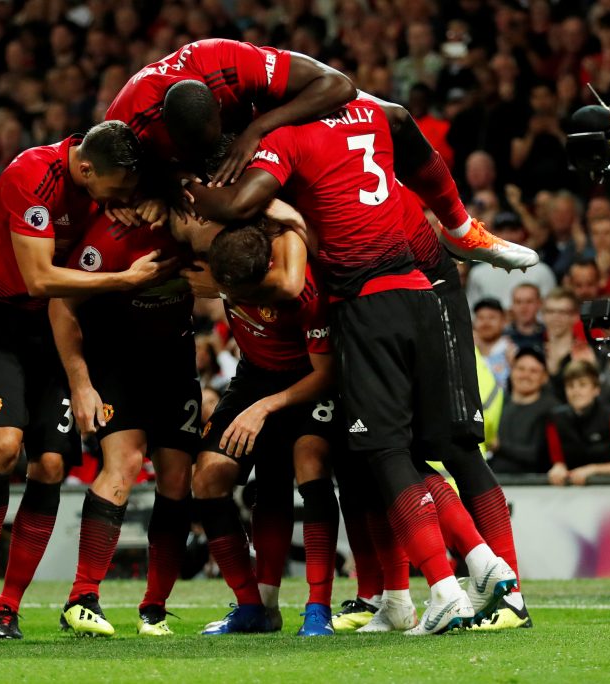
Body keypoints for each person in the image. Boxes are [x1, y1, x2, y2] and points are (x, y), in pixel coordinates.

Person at [186, 95, 518, 635]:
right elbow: (404, 130)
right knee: (376, 463)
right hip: (413, 290)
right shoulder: (362, 127)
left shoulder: (290, 185)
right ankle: (407, 595)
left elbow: (287, 274)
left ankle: (465, 583)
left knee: (388, 454)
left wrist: (191, 188)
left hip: (367, 310)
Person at [0, 120, 173, 640]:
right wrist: (123, 279)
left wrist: (152, 204)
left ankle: (9, 605)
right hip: (4, 322)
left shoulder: (104, 181)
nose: (120, 200)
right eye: (114, 190)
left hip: (60, 330)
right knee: (4, 448)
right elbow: (40, 279)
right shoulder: (31, 175)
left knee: (50, 464)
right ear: (87, 169)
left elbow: (144, 195)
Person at [48, 211, 198, 638]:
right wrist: (81, 383)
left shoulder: (199, 228)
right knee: (125, 464)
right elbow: (61, 302)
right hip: (117, 360)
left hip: (175, 359)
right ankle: (81, 598)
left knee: (176, 477)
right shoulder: (108, 237)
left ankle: (154, 609)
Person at [193, 222, 340, 637]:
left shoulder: (302, 291)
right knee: (208, 477)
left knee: (309, 462)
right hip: (255, 376)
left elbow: (327, 373)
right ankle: (254, 606)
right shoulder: (221, 266)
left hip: (308, 379)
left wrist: (266, 407)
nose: (237, 302)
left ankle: (318, 608)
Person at [106, 38, 356, 184]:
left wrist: (257, 130)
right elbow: (102, 176)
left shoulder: (225, 60)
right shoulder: (127, 119)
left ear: (219, 104)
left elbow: (340, 86)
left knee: (395, 115)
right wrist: (164, 185)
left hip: (259, 125)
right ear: (162, 122)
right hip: (178, 172)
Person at [547, 360, 610, 485]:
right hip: (571, 496)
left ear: (596, 389)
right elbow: (558, 462)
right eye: (570, 386)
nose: (576, 391)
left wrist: (594, 469)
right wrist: (558, 468)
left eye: (582, 385)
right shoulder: (555, 420)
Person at [489, 349, 557, 475]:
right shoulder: (497, 403)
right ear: (511, 371)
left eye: (533, 371)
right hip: (495, 483)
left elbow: (539, 456)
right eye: (521, 369)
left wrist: (499, 446)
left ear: (544, 377)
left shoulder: (552, 409)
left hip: (535, 486)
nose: (526, 375)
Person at [473, 298, 516, 391]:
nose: (485, 323)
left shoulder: (513, 352)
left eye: (492, 318)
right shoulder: (464, 351)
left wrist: (513, 366)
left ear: (504, 322)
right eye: (481, 318)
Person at [506, 283, 546, 352]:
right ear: (512, 305)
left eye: (529, 302)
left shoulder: (548, 335)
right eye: (518, 302)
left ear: (539, 304)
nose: (523, 307)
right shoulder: (502, 337)